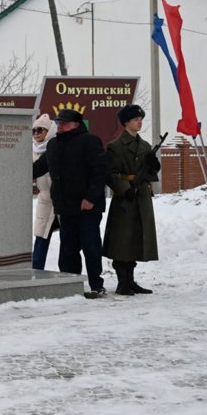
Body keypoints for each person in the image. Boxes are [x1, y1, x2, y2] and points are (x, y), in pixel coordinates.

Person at [32, 108, 109, 298]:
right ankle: (71, 283)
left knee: (90, 246)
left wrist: (90, 198)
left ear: (76, 124)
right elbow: (38, 168)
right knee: (68, 248)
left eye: (64, 123)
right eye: (58, 123)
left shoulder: (90, 141)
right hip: (65, 207)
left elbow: (99, 173)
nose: (60, 126)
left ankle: (96, 284)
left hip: (87, 206)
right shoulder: (53, 145)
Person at [103, 104, 160, 295]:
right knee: (122, 239)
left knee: (136, 238)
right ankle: (122, 282)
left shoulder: (144, 146)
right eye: (136, 119)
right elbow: (110, 174)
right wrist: (124, 189)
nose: (140, 122)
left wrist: (154, 166)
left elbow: (150, 172)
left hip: (141, 197)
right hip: (125, 198)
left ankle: (131, 280)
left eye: (140, 119)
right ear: (126, 122)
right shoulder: (115, 146)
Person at [31, 114, 59, 270]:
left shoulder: (56, 145)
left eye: (40, 130)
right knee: (41, 235)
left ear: (49, 131)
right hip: (45, 199)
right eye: (34, 130)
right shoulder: (32, 149)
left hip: (62, 198)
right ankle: (36, 269)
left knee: (69, 238)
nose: (36, 134)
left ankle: (68, 273)